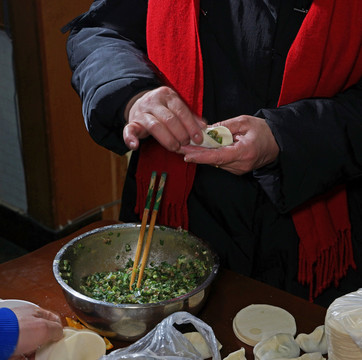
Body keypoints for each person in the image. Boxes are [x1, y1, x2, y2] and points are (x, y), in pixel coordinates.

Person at [63, 0, 362, 306]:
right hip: (174, 219)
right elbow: (101, 31)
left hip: (318, 239)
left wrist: (286, 136)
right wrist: (133, 94)